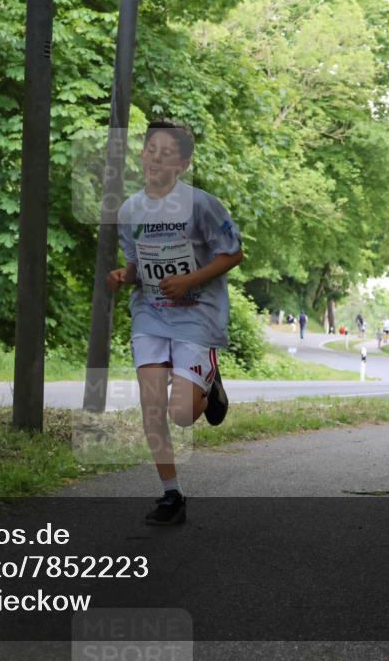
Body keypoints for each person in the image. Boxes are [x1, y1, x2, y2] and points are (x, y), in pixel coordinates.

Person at [107, 121, 243, 526]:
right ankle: (171, 495)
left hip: (197, 314)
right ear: (143, 155)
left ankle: (209, 382)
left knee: (181, 413)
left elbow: (232, 253)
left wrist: (189, 280)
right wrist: (125, 275)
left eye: (168, 152)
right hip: (150, 313)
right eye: (151, 149)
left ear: (183, 164)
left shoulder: (201, 204)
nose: (156, 157)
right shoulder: (130, 210)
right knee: (152, 406)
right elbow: (138, 261)